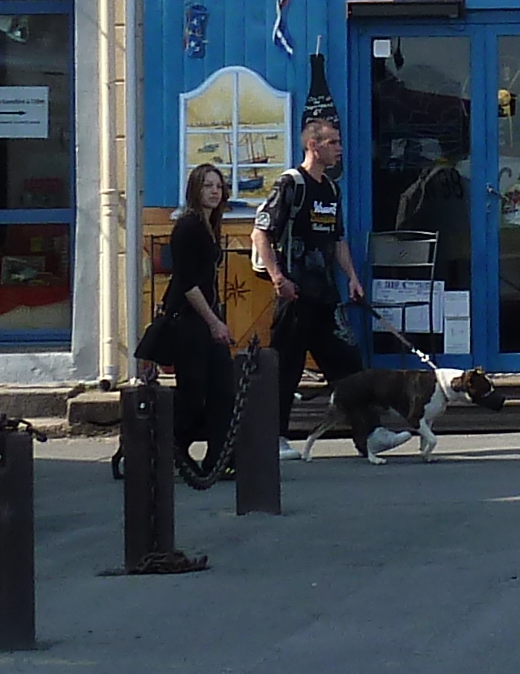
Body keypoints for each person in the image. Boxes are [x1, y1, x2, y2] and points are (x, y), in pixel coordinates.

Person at [254, 106, 367, 431]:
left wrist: (353, 279)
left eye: (339, 142)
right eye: (332, 142)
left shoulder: (331, 190)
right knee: (285, 369)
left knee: (348, 362)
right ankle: (273, 436)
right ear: (313, 146)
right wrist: (279, 278)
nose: (339, 148)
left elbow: (337, 239)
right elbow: (260, 232)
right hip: (295, 295)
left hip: (326, 294)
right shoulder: (291, 184)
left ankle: (369, 432)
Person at [152, 161, 246, 485]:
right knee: (193, 397)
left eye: (218, 186)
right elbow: (188, 282)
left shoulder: (210, 225)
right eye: (208, 185)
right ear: (195, 189)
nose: (214, 191)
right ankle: (162, 449)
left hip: (208, 318)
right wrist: (213, 322)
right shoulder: (188, 227)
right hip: (189, 321)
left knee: (223, 389)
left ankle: (220, 458)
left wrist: (216, 320)